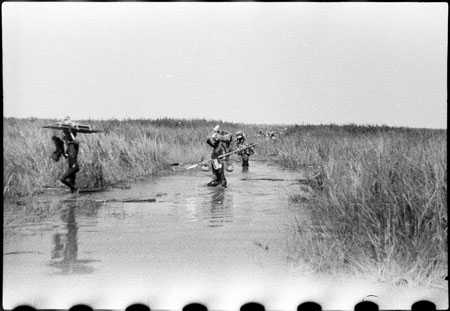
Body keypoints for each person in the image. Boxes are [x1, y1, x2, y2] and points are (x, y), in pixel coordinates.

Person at [59, 129, 80, 193]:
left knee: (62, 179)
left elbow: (75, 141)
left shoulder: (75, 144)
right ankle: (74, 194)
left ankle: (75, 189)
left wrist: (70, 132)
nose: (65, 139)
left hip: (74, 167)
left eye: (67, 136)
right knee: (72, 190)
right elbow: (66, 156)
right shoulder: (69, 147)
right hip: (71, 168)